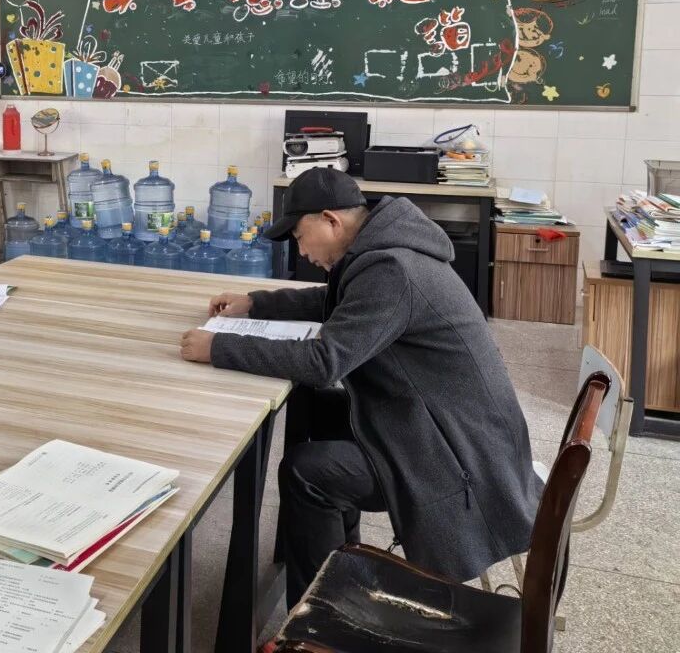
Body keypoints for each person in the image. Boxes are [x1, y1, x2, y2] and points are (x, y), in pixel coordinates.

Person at [180, 167, 540, 608]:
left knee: (307, 472)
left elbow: (323, 362)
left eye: (300, 236)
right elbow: (336, 302)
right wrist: (256, 303)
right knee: (315, 409)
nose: (301, 250)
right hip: (437, 422)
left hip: (457, 457)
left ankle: (322, 619)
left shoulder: (391, 269)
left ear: (330, 220)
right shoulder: (384, 250)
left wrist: (219, 347)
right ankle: (341, 565)